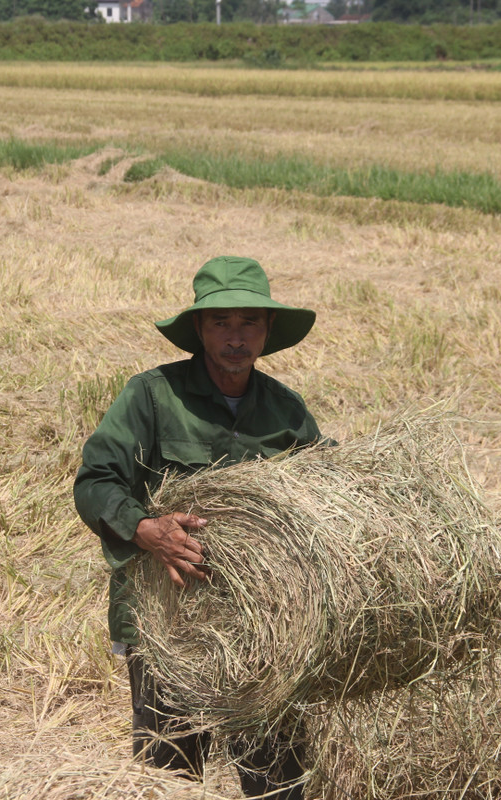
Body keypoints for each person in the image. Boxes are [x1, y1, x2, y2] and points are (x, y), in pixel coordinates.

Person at [73, 256, 327, 800]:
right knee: (170, 780)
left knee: (280, 783)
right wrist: (146, 528)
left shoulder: (286, 412)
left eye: (249, 324)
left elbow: (331, 498)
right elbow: (95, 482)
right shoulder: (151, 397)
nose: (236, 338)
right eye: (221, 323)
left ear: (266, 331)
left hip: (268, 630)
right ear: (198, 329)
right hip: (170, 624)